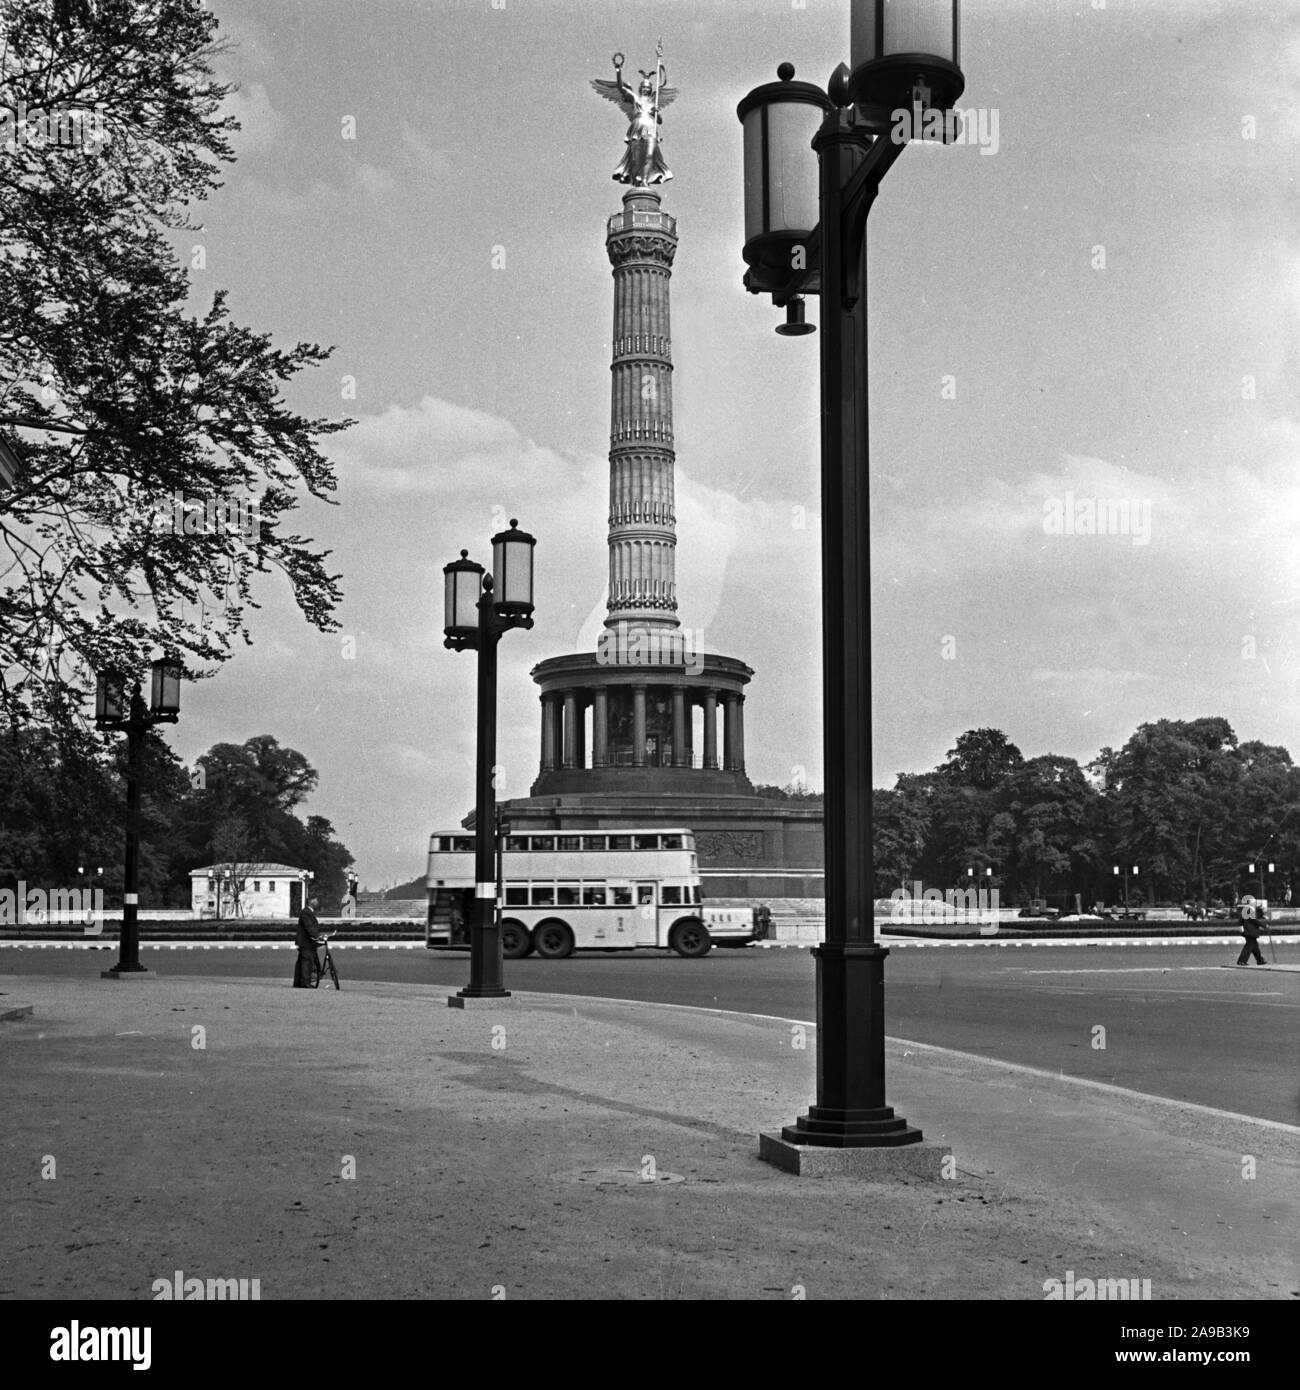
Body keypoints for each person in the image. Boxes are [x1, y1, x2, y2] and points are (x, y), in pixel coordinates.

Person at [294, 895, 323, 987]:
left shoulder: (308, 912)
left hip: (305, 942)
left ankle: (298, 982)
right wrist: (318, 936)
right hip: (306, 942)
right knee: (307, 962)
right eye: (316, 900)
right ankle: (305, 983)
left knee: (301, 963)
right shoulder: (306, 912)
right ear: (311, 901)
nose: (317, 902)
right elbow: (309, 926)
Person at [1235, 897, 1267, 967]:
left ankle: (1260, 960)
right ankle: (1241, 961)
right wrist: (1264, 925)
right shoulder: (1249, 909)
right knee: (1249, 947)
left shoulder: (1246, 909)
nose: (1255, 904)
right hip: (1250, 931)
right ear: (1251, 903)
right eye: (1254, 903)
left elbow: (1241, 921)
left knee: (1255, 947)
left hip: (1248, 931)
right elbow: (1253, 920)